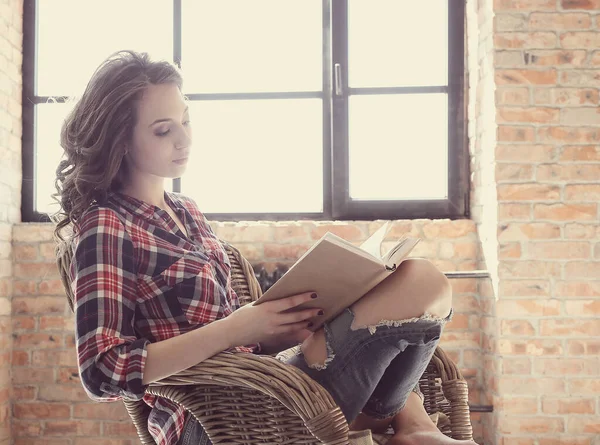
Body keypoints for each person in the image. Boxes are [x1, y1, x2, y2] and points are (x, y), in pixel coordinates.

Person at [52, 50, 476, 445]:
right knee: (421, 284)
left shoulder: (187, 211)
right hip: (209, 420)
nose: (184, 139)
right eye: (163, 130)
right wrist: (240, 327)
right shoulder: (105, 226)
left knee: (420, 279)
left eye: (186, 120)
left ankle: (408, 422)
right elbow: (102, 371)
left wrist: (282, 326)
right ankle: (408, 423)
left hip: (265, 382)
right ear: (120, 140)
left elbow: (247, 339)